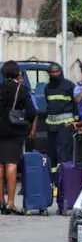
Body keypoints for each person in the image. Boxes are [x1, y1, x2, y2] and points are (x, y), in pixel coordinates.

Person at [0, 61, 36, 214]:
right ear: (17, 73)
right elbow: (31, 112)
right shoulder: (22, 89)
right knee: (11, 164)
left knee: (0, 165)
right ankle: (10, 203)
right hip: (14, 131)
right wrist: (26, 126)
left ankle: (0, 201)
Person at [40, 62, 77, 174]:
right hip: (51, 127)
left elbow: (76, 105)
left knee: (64, 154)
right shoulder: (47, 87)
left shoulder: (69, 85)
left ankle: (65, 179)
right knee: (52, 154)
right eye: (52, 72)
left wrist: (75, 121)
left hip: (65, 126)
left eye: (57, 72)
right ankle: (54, 180)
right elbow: (49, 105)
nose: (54, 74)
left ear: (61, 72)